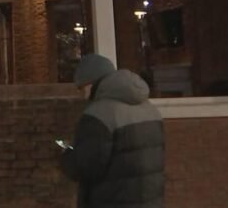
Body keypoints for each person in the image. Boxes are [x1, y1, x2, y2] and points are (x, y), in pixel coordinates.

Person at [60, 53, 164, 208]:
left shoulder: (98, 115)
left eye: (82, 88)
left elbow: (85, 168)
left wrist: (67, 152)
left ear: (91, 83)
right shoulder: (150, 109)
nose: (83, 95)